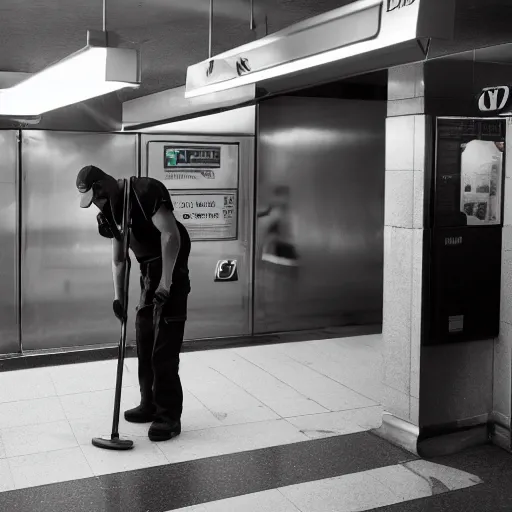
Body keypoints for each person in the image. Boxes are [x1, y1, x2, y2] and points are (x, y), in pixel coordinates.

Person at [76, 165, 191, 442]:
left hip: (170, 269)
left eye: (97, 198)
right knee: (145, 340)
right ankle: (149, 404)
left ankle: (168, 417)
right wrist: (119, 298)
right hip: (147, 274)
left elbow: (171, 236)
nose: (98, 205)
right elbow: (119, 258)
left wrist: (166, 283)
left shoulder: (146, 191)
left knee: (163, 348)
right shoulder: (109, 212)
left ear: (104, 186)